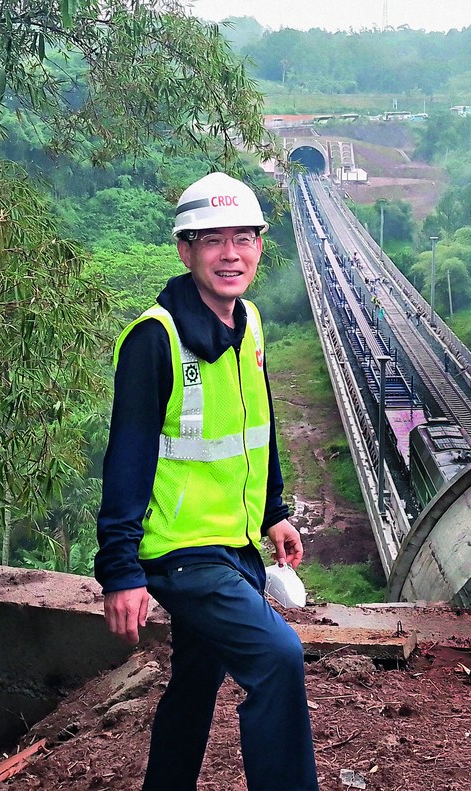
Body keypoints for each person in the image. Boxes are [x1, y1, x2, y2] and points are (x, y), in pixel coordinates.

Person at [95, 172, 319, 791]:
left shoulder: (249, 323)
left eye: (243, 239)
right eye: (212, 240)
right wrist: (120, 569)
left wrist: (272, 510)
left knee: (197, 676)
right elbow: (128, 458)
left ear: (259, 247)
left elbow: (259, 425)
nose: (230, 254)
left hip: (236, 543)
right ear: (185, 250)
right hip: (181, 552)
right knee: (277, 659)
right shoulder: (154, 339)